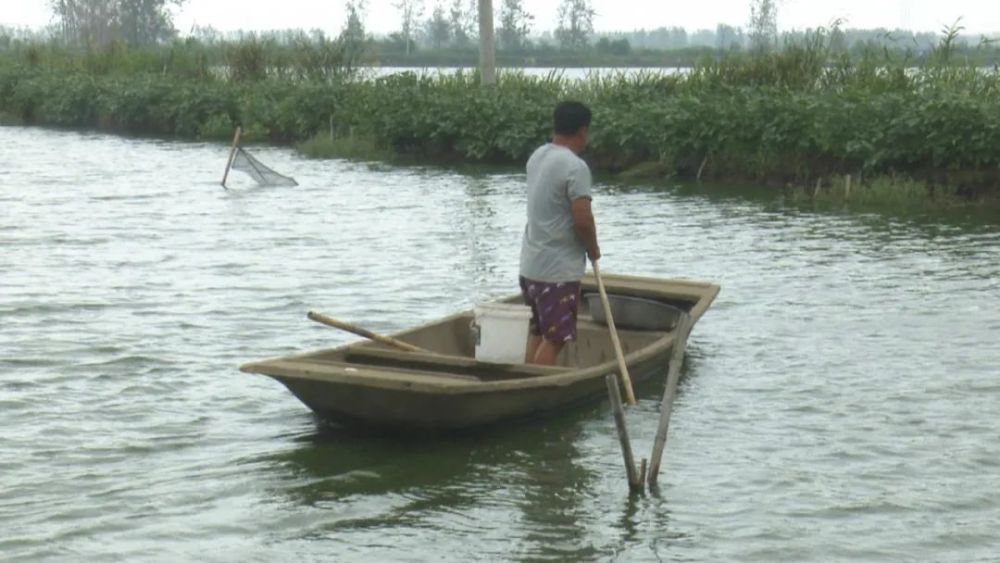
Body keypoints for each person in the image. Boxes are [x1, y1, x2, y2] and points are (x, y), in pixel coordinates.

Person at [519, 101, 600, 365]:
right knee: (556, 338)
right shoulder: (575, 167)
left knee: (539, 331)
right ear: (583, 131)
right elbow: (583, 220)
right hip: (557, 273)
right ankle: (532, 391)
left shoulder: (537, 156)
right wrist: (593, 248)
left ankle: (524, 381)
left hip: (530, 267)